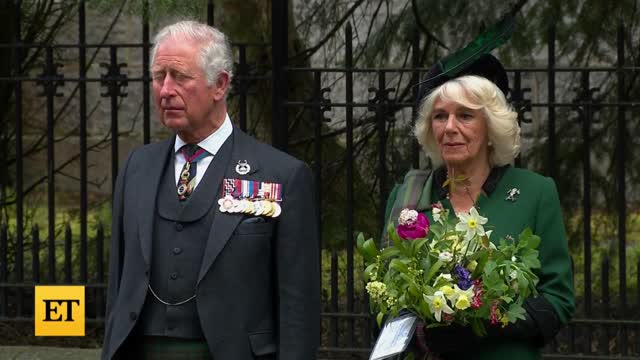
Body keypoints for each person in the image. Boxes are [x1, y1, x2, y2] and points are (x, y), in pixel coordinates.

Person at [102, 20, 320, 360]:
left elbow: (299, 306)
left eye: (180, 77)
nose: (165, 90)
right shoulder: (136, 168)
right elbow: (117, 287)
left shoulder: (282, 175)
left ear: (219, 85)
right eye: (160, 76)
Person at [383, 53, 575, 359]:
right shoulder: (407, 196)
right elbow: (382, 294)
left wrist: (488, 323)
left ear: (490, 126)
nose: (450, 127)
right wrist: (423, 331)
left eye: (465, 115)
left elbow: (558, 299)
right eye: (440, 116)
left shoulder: (535, 193)